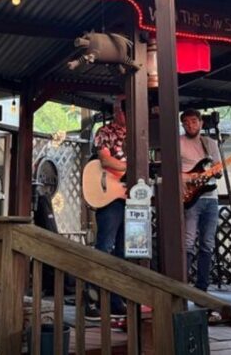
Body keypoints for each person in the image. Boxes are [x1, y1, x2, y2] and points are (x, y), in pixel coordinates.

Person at [87, 110, 127, 319]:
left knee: (123, 250)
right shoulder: (106, 131)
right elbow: (105, 160)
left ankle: (115, 300)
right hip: (110, 196)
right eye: (123, 106)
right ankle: (92, 300)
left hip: (131, 197)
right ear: (116, 110)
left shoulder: (140, 132)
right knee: (105, 246)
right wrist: (133, 168)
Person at [180, 109, 223, 291]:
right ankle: (182, 285)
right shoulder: (177, 142)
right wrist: (190, 179)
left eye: (194, 121)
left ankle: (202, 286)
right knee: (188, 241)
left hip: (211, 197)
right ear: (182, 124)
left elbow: (219, 171)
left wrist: (216, 170)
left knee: (207, 243)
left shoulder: (210, 143)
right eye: (187, 122)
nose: (190, 125)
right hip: (190, 197)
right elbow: (169, 168)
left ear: (201, 123)